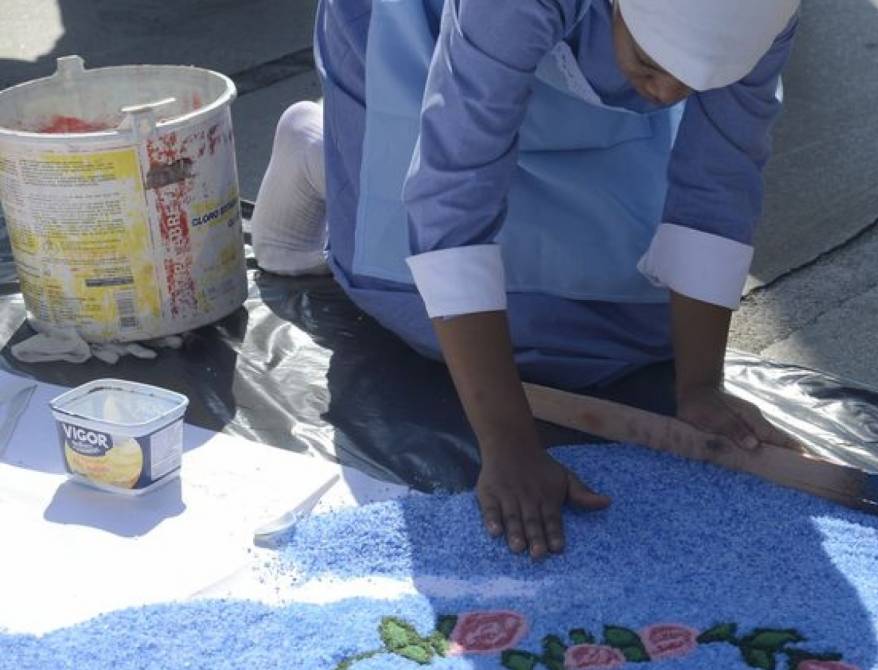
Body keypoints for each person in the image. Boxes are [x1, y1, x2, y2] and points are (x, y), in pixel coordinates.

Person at [250, 0, 804, 558]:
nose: (664, 95)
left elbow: (719, 179)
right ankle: (321, 147)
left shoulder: (765, 13)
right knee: (412, 300)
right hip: (420, 29)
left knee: (639, 328)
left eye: (692, 83)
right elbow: (456, 185)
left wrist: (701, 386)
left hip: (537, 40)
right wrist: (508, 440)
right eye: (651, 64)